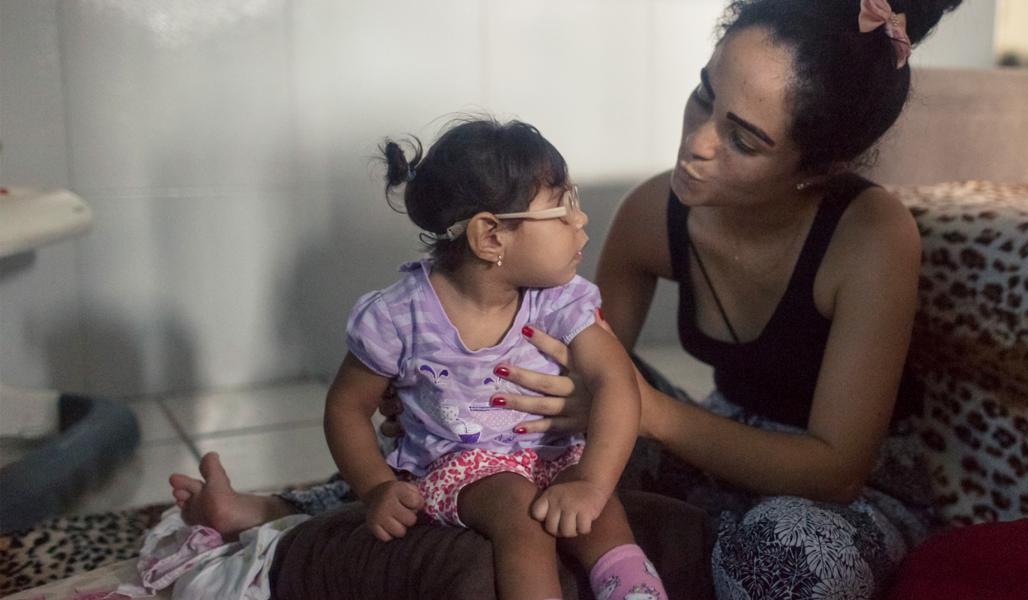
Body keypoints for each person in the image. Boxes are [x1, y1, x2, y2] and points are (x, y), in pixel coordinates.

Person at [171, 0, 963, 597]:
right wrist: (452, 387)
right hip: (705, 449)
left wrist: (640, 413)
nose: (696, 141)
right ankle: (287, 507)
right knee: (499, 434)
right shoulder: (661, 209)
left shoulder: (870, 236)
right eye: (701, 98)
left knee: (792, 560)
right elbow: (561, 374)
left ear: (815, 167)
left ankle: (661, 551)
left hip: (835, 485)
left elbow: (837, 472)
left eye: (744, 138)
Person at [171, 117, 667, 600]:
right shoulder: (398, 316)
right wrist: (376, 488)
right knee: (520, 513)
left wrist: (592, 483)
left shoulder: (561, 298)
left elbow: (616, 383)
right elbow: (347, 408)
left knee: (602, 515)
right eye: (561, 209)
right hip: (464, 469)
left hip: (557, 453)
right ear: (490, 236)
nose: (580, 221)